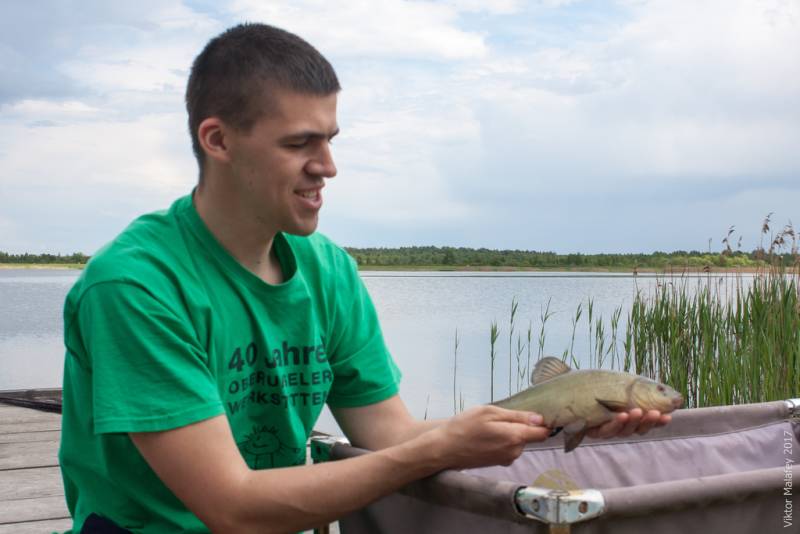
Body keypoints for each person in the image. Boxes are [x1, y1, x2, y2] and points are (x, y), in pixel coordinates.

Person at [59, 23, 670, 533]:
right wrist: (432, 452)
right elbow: (231, 504)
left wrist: (555, 419)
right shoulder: (136, 287)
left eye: (329, 139)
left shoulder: (328, 271)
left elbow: (389, 433)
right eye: (300, 143)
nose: (327, 166)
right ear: (217, 140)